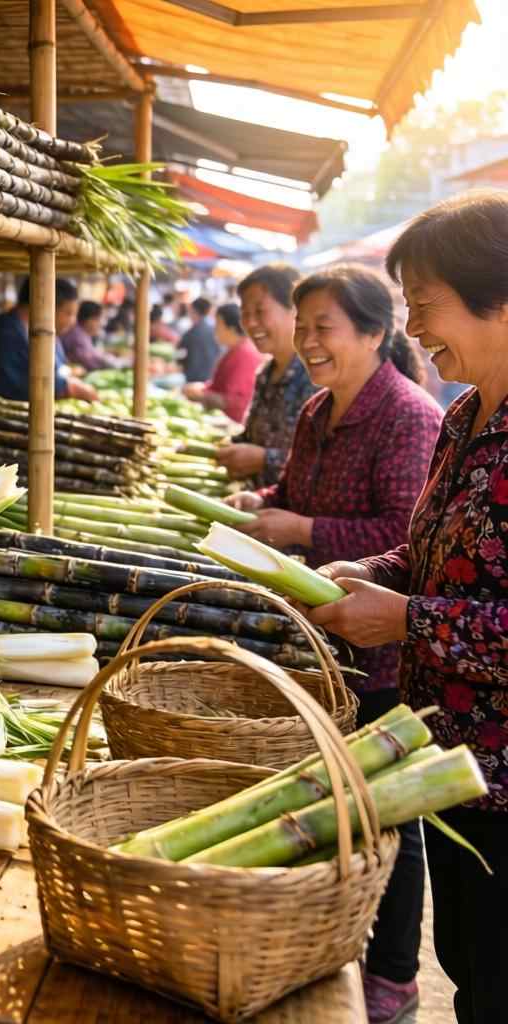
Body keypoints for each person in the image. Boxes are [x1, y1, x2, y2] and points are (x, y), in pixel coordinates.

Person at [304, 192, 508, 1024]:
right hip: (450, 768)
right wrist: (368, 569)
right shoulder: (464, 416)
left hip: (505, 782)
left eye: (425, 304)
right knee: (472, 973)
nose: (413, 328)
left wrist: (407, 619)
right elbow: (432, 552)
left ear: (500, 297)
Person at [226, 265, 443, 1024]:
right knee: (329, 809)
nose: (309, 341)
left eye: (326, 327)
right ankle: (333, 943)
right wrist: (261, 506)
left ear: (375, 332)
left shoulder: (410, 417)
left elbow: (406, 535)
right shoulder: (316, 409)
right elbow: (291, 494)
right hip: (317, 649)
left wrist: (304, 531)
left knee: (389, 819)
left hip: (382, 657)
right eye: (303, 326)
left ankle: (394, 975)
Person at [217, 264, 317, 488]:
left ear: (295, 310)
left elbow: (326, 463)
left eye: (260, 312)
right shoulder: (265, 373)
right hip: (254, 499)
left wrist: (265, 460)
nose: (250, 323)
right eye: (245, 313)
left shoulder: (317, 377)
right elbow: (251, 437)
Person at [0, 278, 97, 402]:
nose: (73, 321)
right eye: (68, 313)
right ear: (46, 305)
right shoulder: (6, 334)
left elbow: (57, 369)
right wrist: (69, 387)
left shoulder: (45, 334)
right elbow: (25, 382)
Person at [182, 302, 263, 423]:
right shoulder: (235, 349)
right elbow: (219, 386)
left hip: (231, 422)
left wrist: (201, 395)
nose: (214, 330)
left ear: (231, 329)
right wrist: (202, 388)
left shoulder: (245, 354)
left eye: (218, 325)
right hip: (219, 417)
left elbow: (236, 401)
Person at [59, 300, 119, 373]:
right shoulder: (77, 336)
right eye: (98, 319)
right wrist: (116, 364)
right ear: (88, 320)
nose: (101, 324)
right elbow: (90, 360)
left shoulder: (82, 334)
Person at [178, 297, 219, 383]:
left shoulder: (190, 334)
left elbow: (179, 356)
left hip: (193, 378)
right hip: (213, 377)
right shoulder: (216, 331)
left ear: (193, 311)